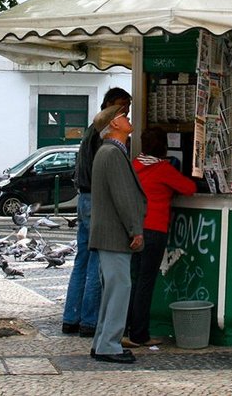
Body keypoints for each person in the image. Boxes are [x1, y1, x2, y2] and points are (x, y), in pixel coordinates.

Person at [62, 87, 132, 338]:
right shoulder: (105, 135)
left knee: (82, 259)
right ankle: (89, 321)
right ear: (110, 106)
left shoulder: (90, 131)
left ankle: (71, 317)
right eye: (123, 107)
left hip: (85, 198)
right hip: (96, 199)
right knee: (95, 261)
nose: (127, 112)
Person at [123, 127, 197, 348]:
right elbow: (189, 187)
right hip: (154, 230)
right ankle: (139, 334)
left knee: (133, 281)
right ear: (163, 147)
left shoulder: (133, 165)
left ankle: (124, 329)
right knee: (146, 283)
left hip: (133, 228)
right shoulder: (163, 168)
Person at [89, 105, 146, 364]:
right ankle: (109, 345)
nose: (128, 119)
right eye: (123, 116)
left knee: (113, 289)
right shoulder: (113, 153)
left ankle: (103, 341)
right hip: (114, 234)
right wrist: (135, 229)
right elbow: (123, 196)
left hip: (108, 233)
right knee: (120, 288)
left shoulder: (109, 152)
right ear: (113, 124)